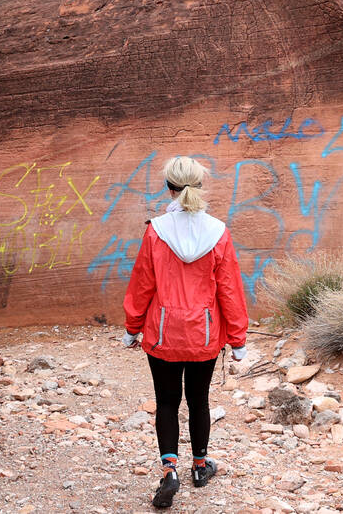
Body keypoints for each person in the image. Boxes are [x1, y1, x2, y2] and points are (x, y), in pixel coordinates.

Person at [121, 155, 250, 509]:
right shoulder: (218, 232)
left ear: (169, 187)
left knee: (165, 401)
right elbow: (230, 290)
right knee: (199, 400)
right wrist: (237, 340)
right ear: (199, 185)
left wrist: (132, 329)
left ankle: (169, 470)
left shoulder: (156, 230)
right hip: (204, 335)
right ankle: (200, 466)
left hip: (162, 333)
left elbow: (142, 284)